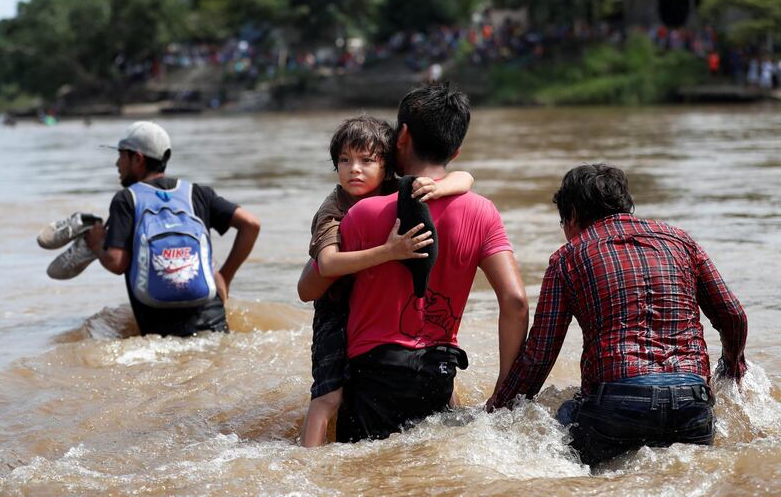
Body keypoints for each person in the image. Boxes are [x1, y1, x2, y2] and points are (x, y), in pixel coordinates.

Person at [299, 83, 530, 443]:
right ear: (456, 149)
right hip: (439, 370)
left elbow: (310, 288)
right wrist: (504, 387)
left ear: (401, 136)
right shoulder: (483, 211)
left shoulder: (360, 212)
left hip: (374, 375)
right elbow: (515, 302)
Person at [487, 164, 748, 466]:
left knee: (560, 421)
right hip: (691, 400)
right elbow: (733, 315)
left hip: (617, 407)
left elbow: (540, 355)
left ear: (571, 215)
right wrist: (732, 367)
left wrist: (498, 412)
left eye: (563, 222)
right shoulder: (681, 242)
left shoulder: (568, 257)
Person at [298, 115, 475, 447]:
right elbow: (327, 263)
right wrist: (389, 251)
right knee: (328, 396)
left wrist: (438, 187)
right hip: (337, 307)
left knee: (441, 377)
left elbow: (466, 177)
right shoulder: (333, 209)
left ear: (387, 166)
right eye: (345, 160)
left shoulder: (399, 187)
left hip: (377, 303)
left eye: (367, 161)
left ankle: (461, 434)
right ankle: (308, 463)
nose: (354, 169)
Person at [85, 121, 261, 337]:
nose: (117, 163)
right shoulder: (196, 193)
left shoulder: (127, 199)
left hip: (158, 331)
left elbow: (116, 261)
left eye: (121, 155)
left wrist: (95, 244)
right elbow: (251, 224)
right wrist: (225, 277)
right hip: (213, 322)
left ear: (137, 158)